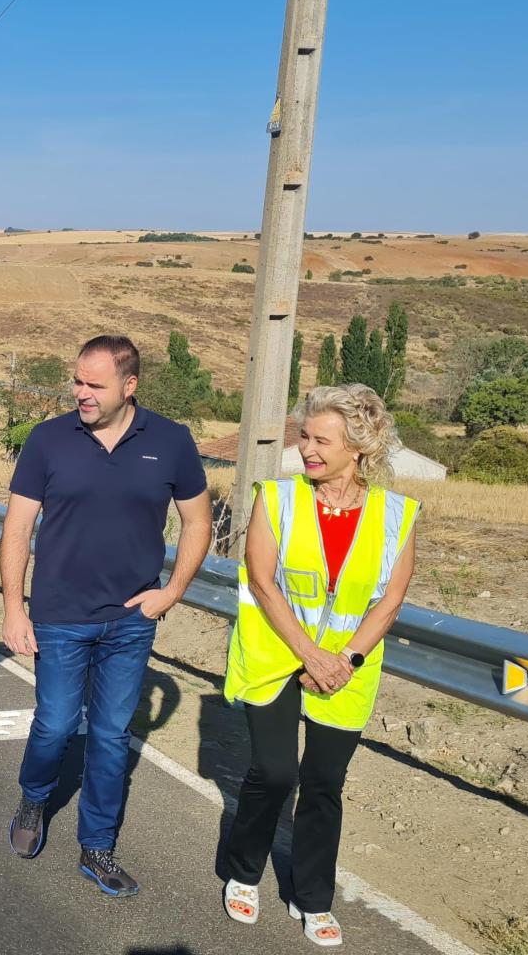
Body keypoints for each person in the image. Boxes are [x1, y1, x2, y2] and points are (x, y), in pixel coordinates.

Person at [0, 335, 213, 896]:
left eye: (95, 384)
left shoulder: (171, 441)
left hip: (130, 621)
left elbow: (197, 522)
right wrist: (13, 609)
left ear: (130, 385)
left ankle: (97, 847)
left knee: (112, 737)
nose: (81, 393)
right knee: (54, 724)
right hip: (59, 615)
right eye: (77, 381)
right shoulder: (48, 439)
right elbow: (17, 528)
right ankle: (34, 799)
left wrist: (171, 593)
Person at [219, 384, 419, 948]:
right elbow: (262, 580)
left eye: (319, 439)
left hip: (348, 668)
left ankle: (312, 897)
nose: (305, 448)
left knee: (325, 784)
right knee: (276, 772)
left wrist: (346, 660)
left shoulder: (396, 514)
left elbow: (389, 601)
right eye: (303, 435)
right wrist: (311, 654)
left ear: (360, 448)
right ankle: (242, 868)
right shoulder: (276, 498)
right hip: (275, 657)